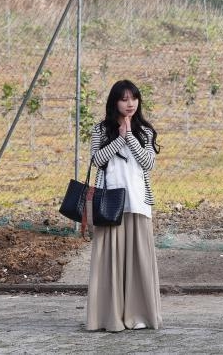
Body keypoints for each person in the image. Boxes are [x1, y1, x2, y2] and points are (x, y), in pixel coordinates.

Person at [85, 79, 162, 332]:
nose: (130, 104)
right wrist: (118, 139)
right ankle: (108, 317)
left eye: (134, 98)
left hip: (138, 203)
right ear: (114, 102)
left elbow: (148, 163)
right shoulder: (100, 129)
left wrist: (129, 136)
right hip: (110, 203)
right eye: (124, 99)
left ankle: (138, 314)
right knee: (110, 262)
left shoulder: (145, 131)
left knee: (138, 262)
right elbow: (97, 160)